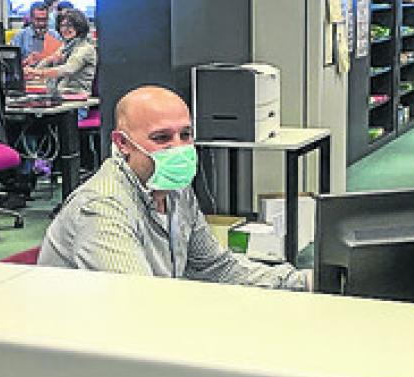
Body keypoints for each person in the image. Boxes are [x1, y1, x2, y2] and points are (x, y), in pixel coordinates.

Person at [37, 85, 311, 291]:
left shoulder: (174, 189)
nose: (178, 147)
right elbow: (138, 304)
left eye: (185, 134)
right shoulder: (102, 207)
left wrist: (304, 282)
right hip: (88, 341)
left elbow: (215, 267)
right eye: (161, 138)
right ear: (123, 143)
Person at [27, 8, 96, 96]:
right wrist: (33, 72)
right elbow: (49, 60)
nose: (65, 29)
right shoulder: (66, 46)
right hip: (61, 94)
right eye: (62, 25)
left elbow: (68, 69)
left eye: (69, 25)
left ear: (79, 27)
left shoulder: (86, 48)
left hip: (78, 97)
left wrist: (39, 73)